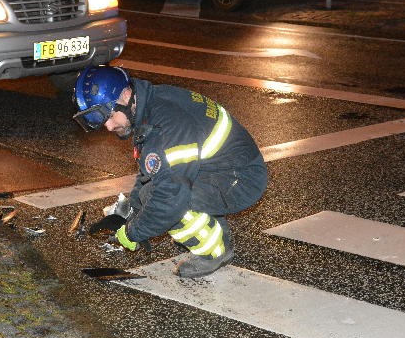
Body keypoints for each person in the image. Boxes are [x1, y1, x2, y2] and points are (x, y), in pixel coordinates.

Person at [73, 65, 267, 279]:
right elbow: (151, 173)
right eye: (102, 122)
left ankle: (215, 252)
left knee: (171, 207)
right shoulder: (150, 104)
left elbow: (169, 199)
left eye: (108, 116)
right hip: (224, 169)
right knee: (155, 196)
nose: (109, 127)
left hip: (241, 179)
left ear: (126, 95)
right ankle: (213, 229)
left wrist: (133, 233)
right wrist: (132, 212)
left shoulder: (165, 128)